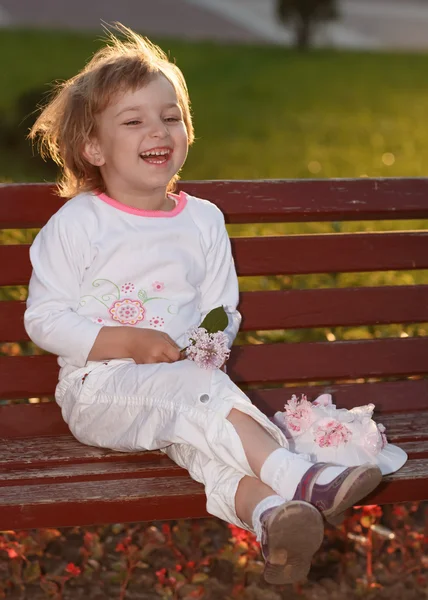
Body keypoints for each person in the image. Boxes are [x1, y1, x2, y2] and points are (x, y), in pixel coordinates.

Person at [24, 24, 382, 586]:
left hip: (183, 385)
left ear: (188, 130)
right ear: (93, 147)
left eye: (170, 116)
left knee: (204, 435)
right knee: (202, 398)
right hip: (100, 390)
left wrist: (208, 344)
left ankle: (271, 515)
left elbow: (221, 308)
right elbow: (44, 319)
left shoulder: (203, 220)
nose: (158, 129)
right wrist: (131, 343)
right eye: (134, 120)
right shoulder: (80, 223)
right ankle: (302, 480)